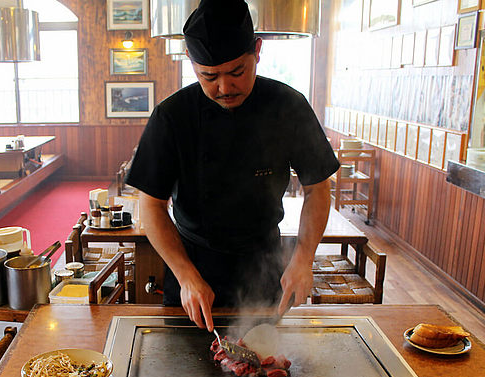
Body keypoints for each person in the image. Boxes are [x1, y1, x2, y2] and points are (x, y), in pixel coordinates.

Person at [126, 0, 339, 332]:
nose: (224, 88)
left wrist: (303, 259)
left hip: (265, 263)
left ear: (257, 50)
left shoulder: (288, 106)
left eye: (237, 72)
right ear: (192, 63)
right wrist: (185, 276)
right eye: (209, 76)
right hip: (192, 263)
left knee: (266, 368)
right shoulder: (172, 116)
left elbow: (317, 188)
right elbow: (151, 205)